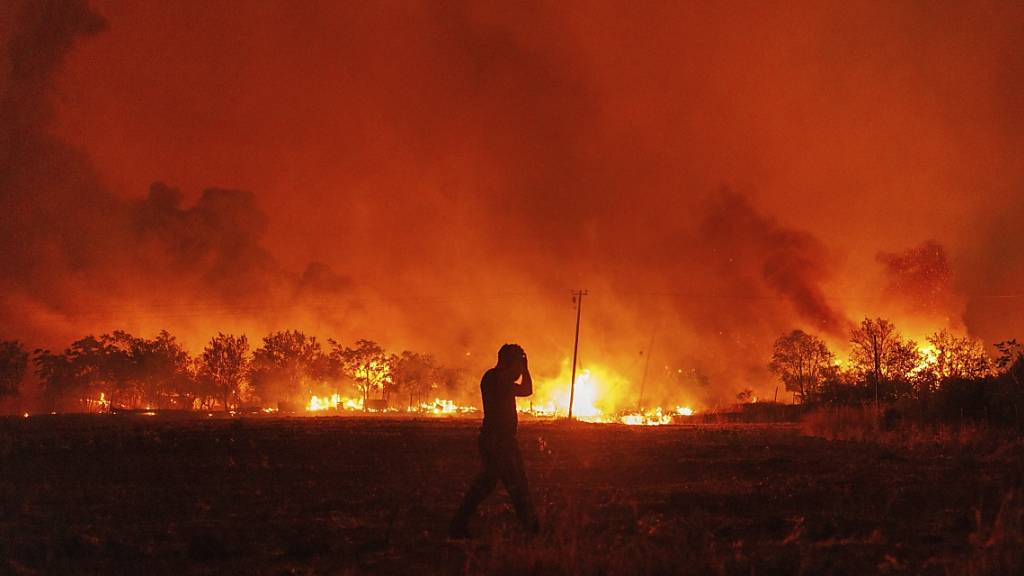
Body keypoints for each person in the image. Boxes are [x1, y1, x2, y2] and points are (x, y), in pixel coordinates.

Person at [450, 343, 540, 538]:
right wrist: (524, 369)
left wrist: (523, 368)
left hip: (502, 440)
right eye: (516, 362)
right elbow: (524, 388)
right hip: (497, 441)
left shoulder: (500, 379)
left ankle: (458, 524)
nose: (519, 368)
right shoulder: (494, 378)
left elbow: (527, 390)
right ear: (508, 362)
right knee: (515, 483)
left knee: (495, 483)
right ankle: (531, 528)